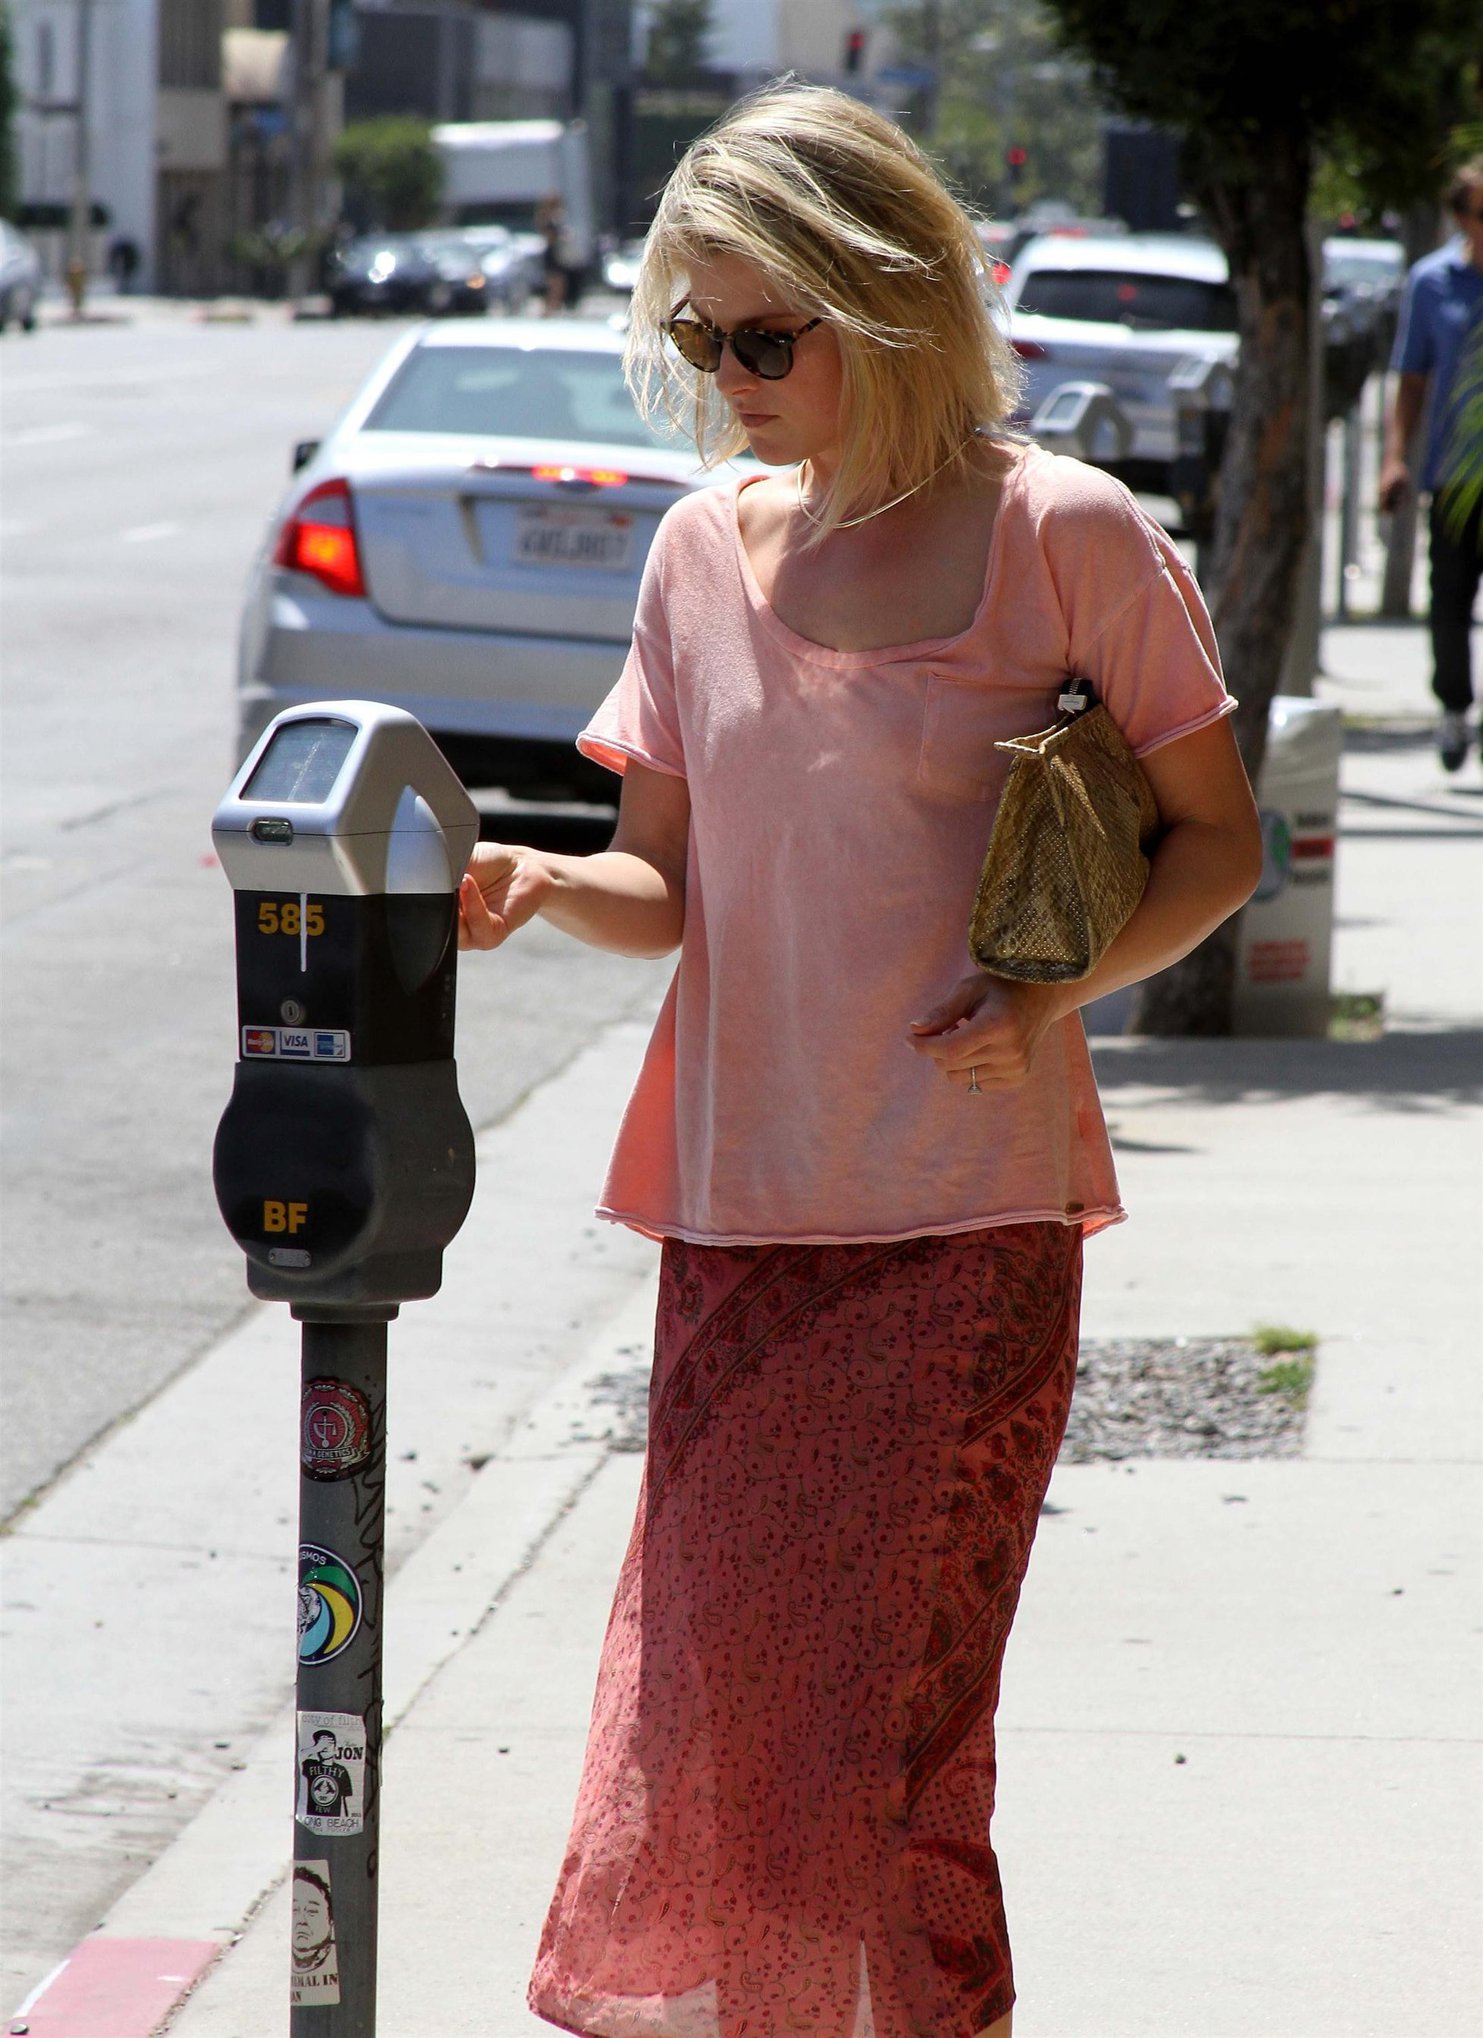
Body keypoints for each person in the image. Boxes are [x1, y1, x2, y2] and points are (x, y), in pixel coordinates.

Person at [459, 86, 1261, 2038]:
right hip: (735, 1227)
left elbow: (1216, 841)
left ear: (886, 300)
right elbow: (672, 880)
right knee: (732, 1747)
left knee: (894, 1760)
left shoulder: (1058, 536)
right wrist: (553, 881)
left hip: (962, 1229)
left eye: (759, 335)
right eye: (693, 336)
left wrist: (1053, 993)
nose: (721, 377)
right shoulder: (694, 556)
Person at [1380, 158, 1483, 773]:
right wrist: (1395, 459)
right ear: (1460, 217)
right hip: (1455, 478)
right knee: (1448, 604)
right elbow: (1412, 379)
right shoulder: (1433, 282)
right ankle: (1454, 710)